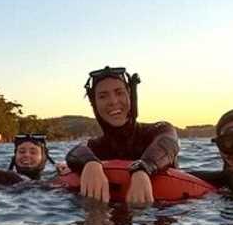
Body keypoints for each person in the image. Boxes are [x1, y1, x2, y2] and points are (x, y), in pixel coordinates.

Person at [66, 66, 180, 205]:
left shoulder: (159, 131)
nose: (113, 101)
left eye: (119, 93)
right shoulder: (94, 148)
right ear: (94, 103)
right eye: (103, 96)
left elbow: (168, 144)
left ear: (130, 96)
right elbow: (76, 152)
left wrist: (143, 168)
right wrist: (89, 163)